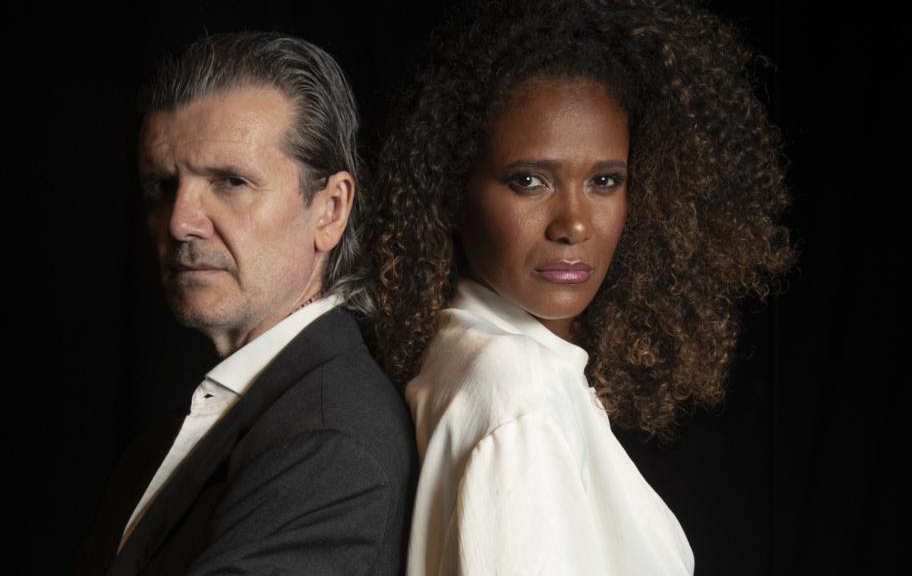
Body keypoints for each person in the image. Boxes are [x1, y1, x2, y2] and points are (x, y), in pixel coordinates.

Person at [368, 0, 794, 574]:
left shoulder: (471, 350)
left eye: (605, 181)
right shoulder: (520, 394)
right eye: (529, 180)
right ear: (451, 190)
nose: (573, 224)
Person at [78, 32, 416, 576]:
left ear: (330, 209)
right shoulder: (214, 417)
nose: (180, 222)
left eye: (231, 182)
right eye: (162, 186)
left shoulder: (330, 445)